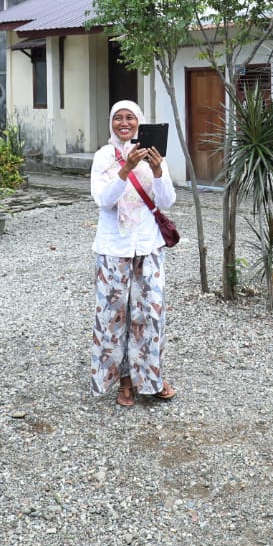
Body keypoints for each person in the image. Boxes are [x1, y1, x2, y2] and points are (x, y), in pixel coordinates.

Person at [89, 99, 177, 408]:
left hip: (148, 246)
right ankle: (123, 381)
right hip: (114, 248)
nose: (124, 123)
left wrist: (157, 170)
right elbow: (103, 200)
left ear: (140, 122)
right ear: (111, 122)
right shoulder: (103, 157)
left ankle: (150, 377)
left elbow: (167, 201)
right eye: (118, 118)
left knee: (149, 315)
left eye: (130, 118)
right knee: (115, 317)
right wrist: (125, 170)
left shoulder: (154, 157)